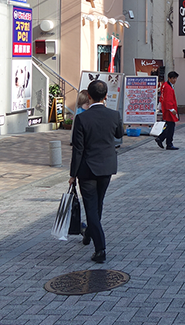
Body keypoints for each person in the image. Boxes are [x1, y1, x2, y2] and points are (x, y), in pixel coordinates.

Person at [68, 79, 124, 263]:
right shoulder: (114, 115)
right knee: (97, 204)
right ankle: (89, 234)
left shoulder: (82, 118)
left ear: (89, 96)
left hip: (87, 169)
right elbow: (118, 135)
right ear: (106, 96)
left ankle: (100, 249)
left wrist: (72, 174)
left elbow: (78, 149)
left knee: (91, 207)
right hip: (107, 167)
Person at [156, 71, 180, 150]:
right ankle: (167, 142)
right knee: (171, 126)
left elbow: (162, 97)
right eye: (173, 78)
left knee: (169, 126)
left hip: (166, 108)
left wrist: (159, 106)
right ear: (169, 78)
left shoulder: (165, 85)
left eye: (175, 78)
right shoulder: (168, 87)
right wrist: (171, 109)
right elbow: (167, 99)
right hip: (168, 109)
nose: (175, 80)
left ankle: (162, 139)